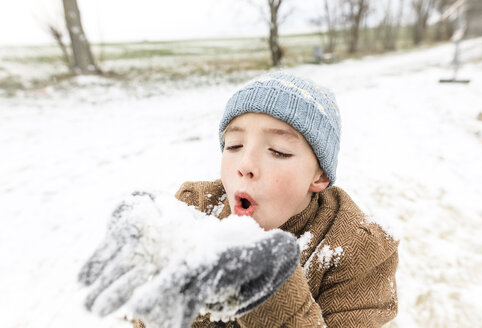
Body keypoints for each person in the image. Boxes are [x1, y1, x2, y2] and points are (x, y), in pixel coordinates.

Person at [79, 71, 399, 328]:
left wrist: (268, 290)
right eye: (233, 146)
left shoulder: (360, 250)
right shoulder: (195, 207)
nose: (245, 165)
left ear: (319, 176)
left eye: (278, 151)